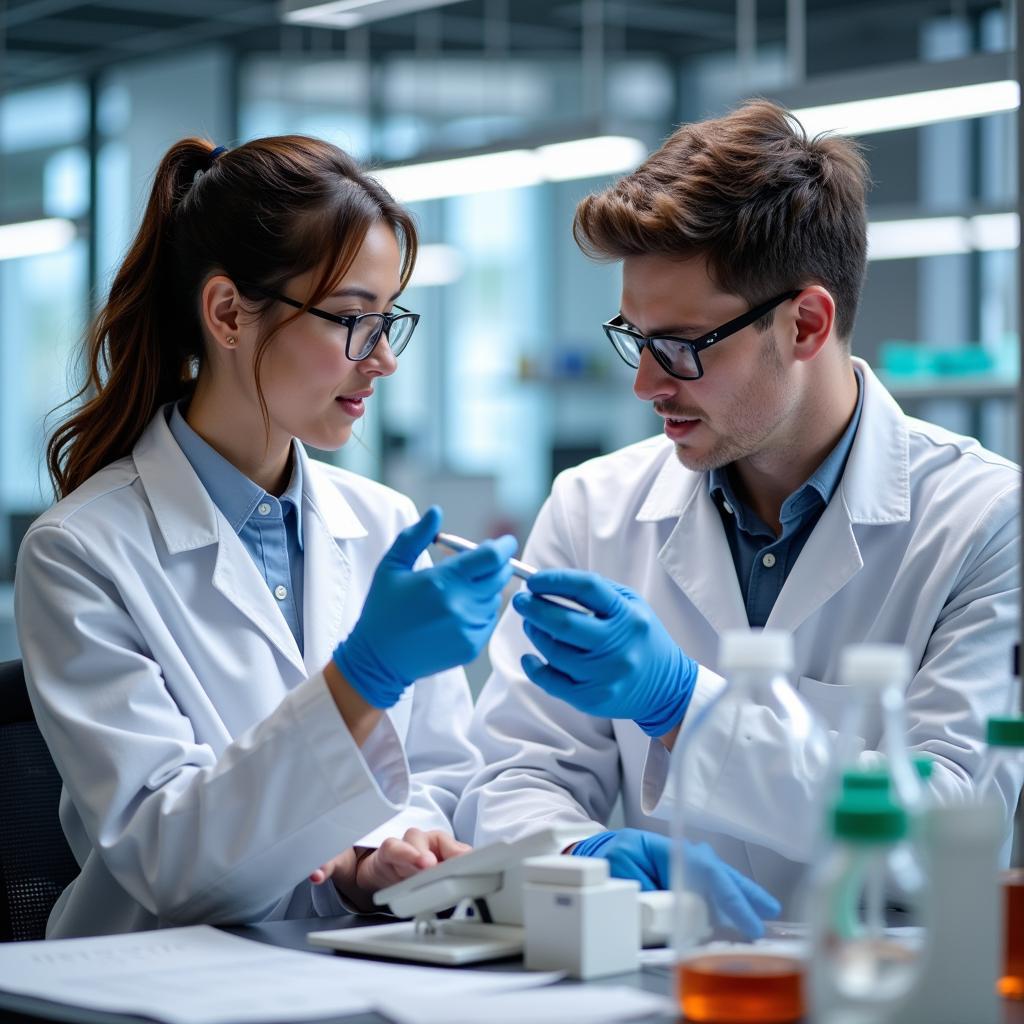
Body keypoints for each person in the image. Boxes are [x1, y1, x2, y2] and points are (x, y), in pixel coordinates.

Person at [455, 100, 1021, 917]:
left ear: (805, 323)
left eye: (682, 346)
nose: (647, 384)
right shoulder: (593, 508)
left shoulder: (987, 522)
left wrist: (687, 706)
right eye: (637, 338)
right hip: (659, 982)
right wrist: (577, 852)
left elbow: (946, 839)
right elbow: (516, 774)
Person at [15, 136, 517, 937]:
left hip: (352, 961)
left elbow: (440, 775)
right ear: (227, 314)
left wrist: (378, 857)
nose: (382, 359)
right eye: (353, 320)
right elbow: (169, 860)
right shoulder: (80, 550)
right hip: (156, 981)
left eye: (389, 322)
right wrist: (360, 680)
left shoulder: (384, 524)